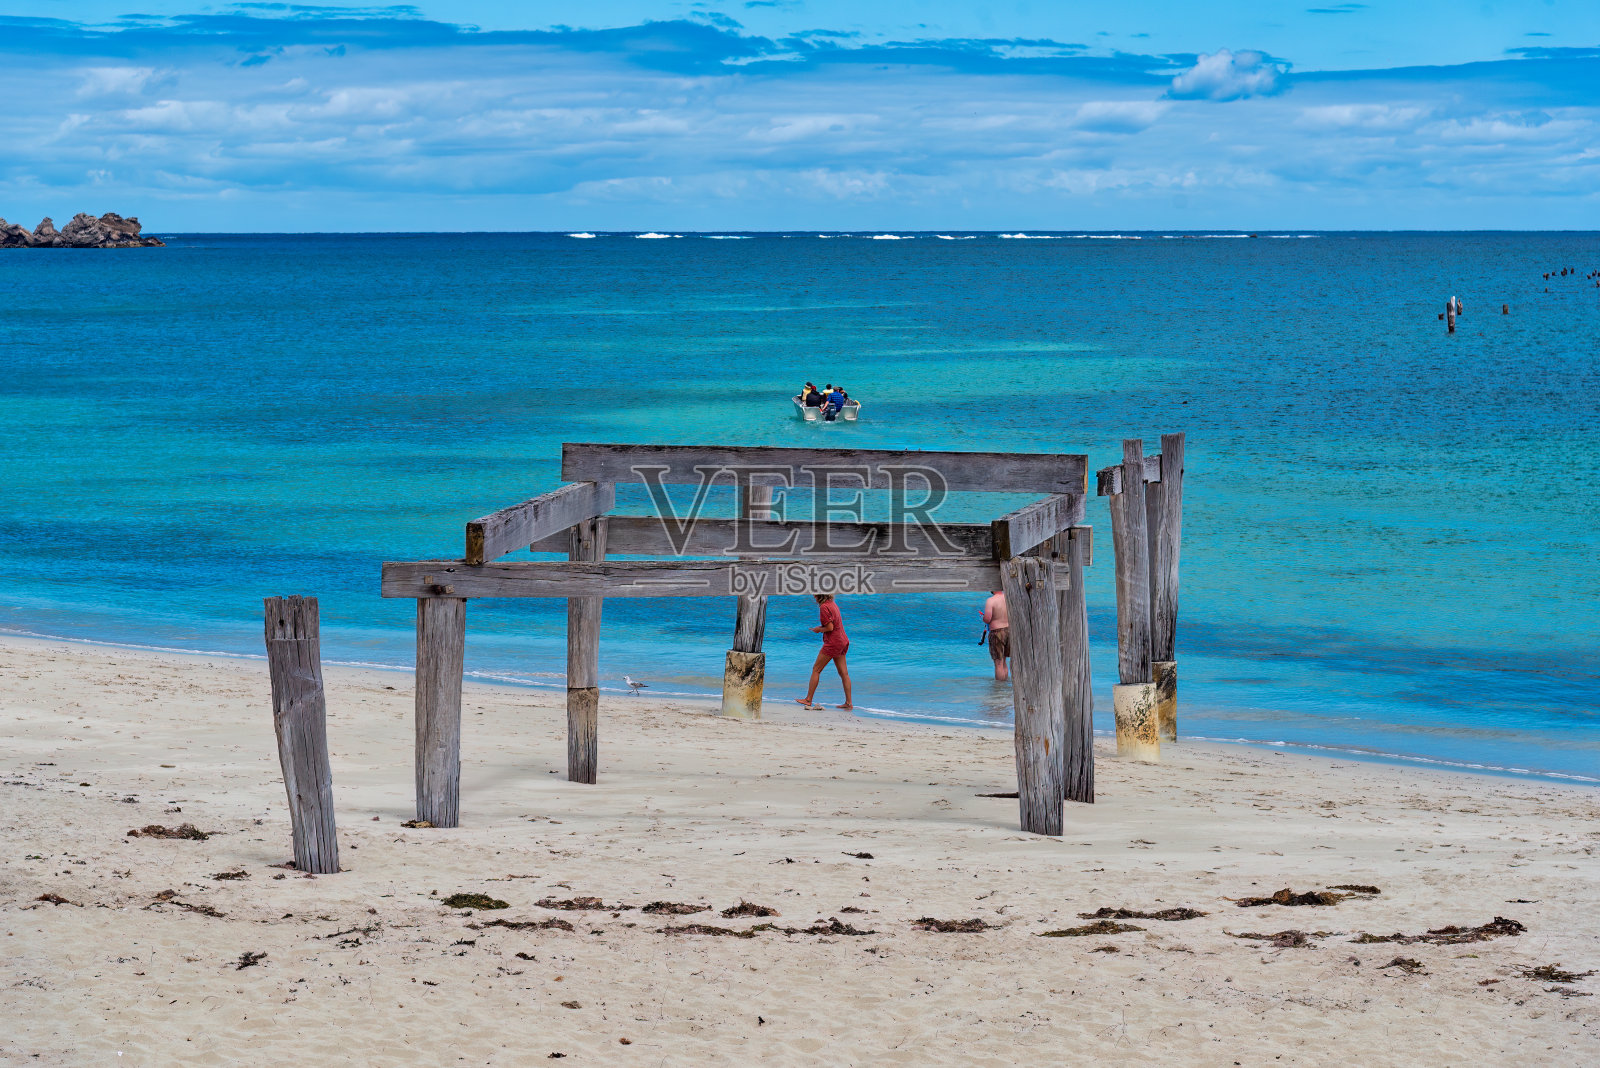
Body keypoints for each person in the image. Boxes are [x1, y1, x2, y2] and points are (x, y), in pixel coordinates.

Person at [796, 593, 852, 709]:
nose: (813, 595)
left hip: (833, 642)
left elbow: (830, 627)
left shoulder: (824, 607)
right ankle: (848, 703)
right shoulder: (832, 604)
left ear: (819, 595)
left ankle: (808, 699)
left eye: (814, 593)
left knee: (816, 669)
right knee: (844, 673)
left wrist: (818, 629)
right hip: (843, 640)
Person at [981, 589, 1009, 681]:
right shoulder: (1008, 597)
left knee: (998, 663)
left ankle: (999, 691)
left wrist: (983, 618)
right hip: (1009, 631)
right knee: (1004, 661)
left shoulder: (991, 600)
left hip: (997, 633)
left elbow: (987, 619)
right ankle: (1005, 689)